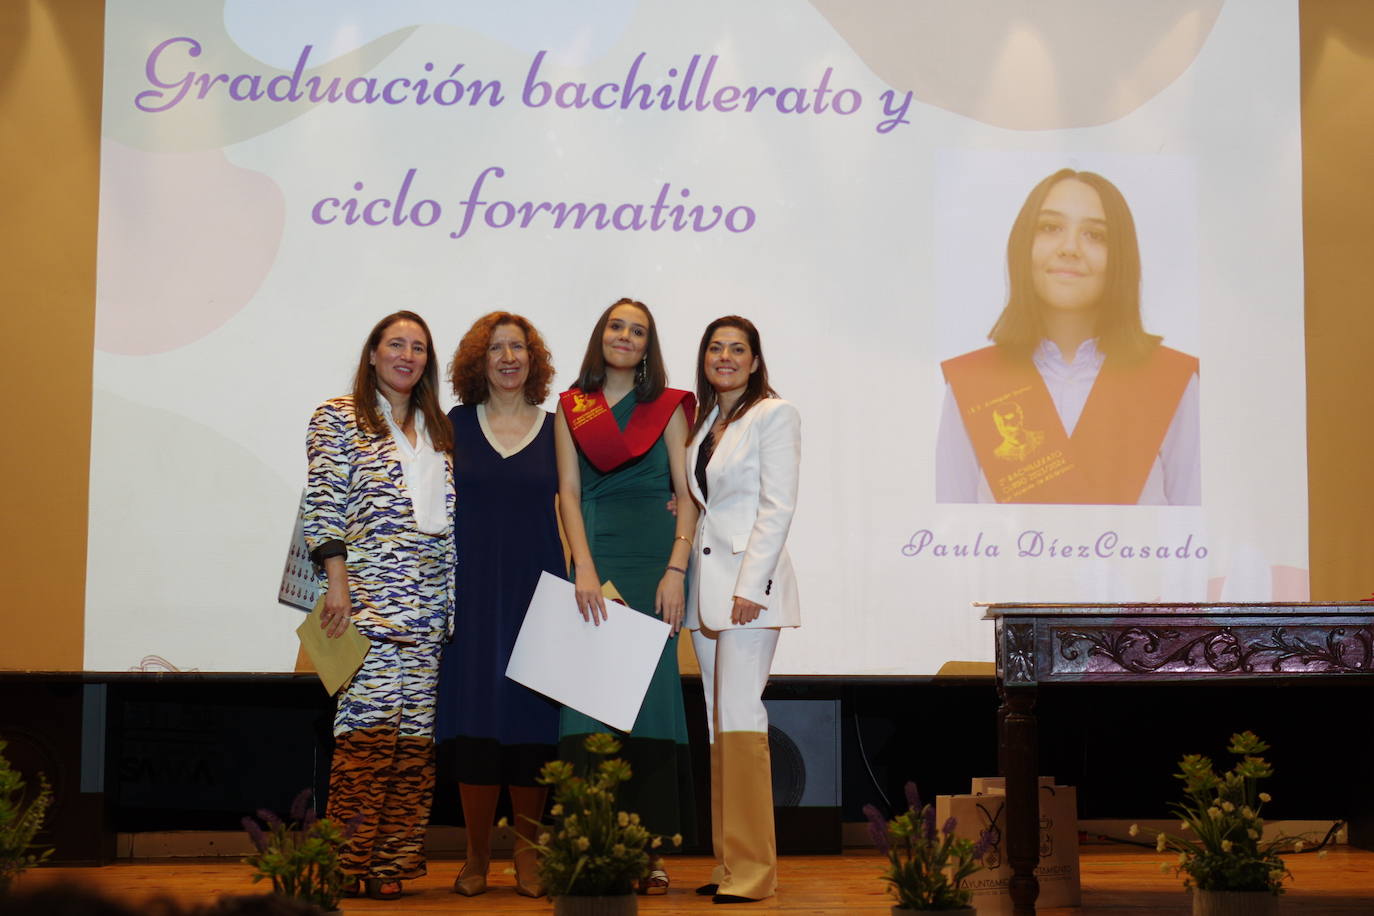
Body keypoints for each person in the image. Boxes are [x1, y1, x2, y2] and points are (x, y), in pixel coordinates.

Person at [302, 310, 455, 901]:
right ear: (372, 354)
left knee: (413, 748)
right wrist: (337, 583)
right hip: (365, 604)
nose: (407, 355)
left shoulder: (437, 427)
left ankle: (389, 864)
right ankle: (347, 863)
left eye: (418, 347)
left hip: (429, 610)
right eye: (396, 344)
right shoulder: (337, 418)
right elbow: (323, 503)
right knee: (366, 742)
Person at [936, 168, 1201, 505]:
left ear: (1120, 257)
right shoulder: (973, 384)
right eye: (1050, 228)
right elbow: (950, 529)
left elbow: (1196, 529)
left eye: (1095, 235)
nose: (1070, 248)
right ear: (1023, 246)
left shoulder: (1171, 380)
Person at [553, 297, 699, 894]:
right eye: (617, 326)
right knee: (590, 701)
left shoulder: (667, 408)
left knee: (650, 702)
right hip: (597, 560)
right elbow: (566, 492)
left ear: (647, 347)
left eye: (637, 331)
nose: (625, 337)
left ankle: (649, 852)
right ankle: (590, 847)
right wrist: (582, 568)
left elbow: (686, 495)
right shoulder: (571, 407)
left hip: (653, 567)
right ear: (600, 335)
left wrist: (677, 568)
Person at [433, 312, 562, 898]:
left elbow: (593, 501)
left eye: (518, 347)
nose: (508, 357)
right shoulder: (451, 425)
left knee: (533, 723)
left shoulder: (560, 428)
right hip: (474, 596)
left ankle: (530, 856)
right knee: (477, 725)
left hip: (541, 593)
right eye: (496, 349)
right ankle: (477, 855)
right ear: (477, 363)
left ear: (533, 360)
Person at [685, 316, 801, 905]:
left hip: (748, 591)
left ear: (755, 361)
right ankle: (729, 862)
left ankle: (755, 871)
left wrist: (751, 585)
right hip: (708, 591)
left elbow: (777, 507)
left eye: (738, 349)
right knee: (716, 723)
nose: (725, 357)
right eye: (716, 348)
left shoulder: (773, 415)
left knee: (739, 718)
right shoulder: (708, 420)